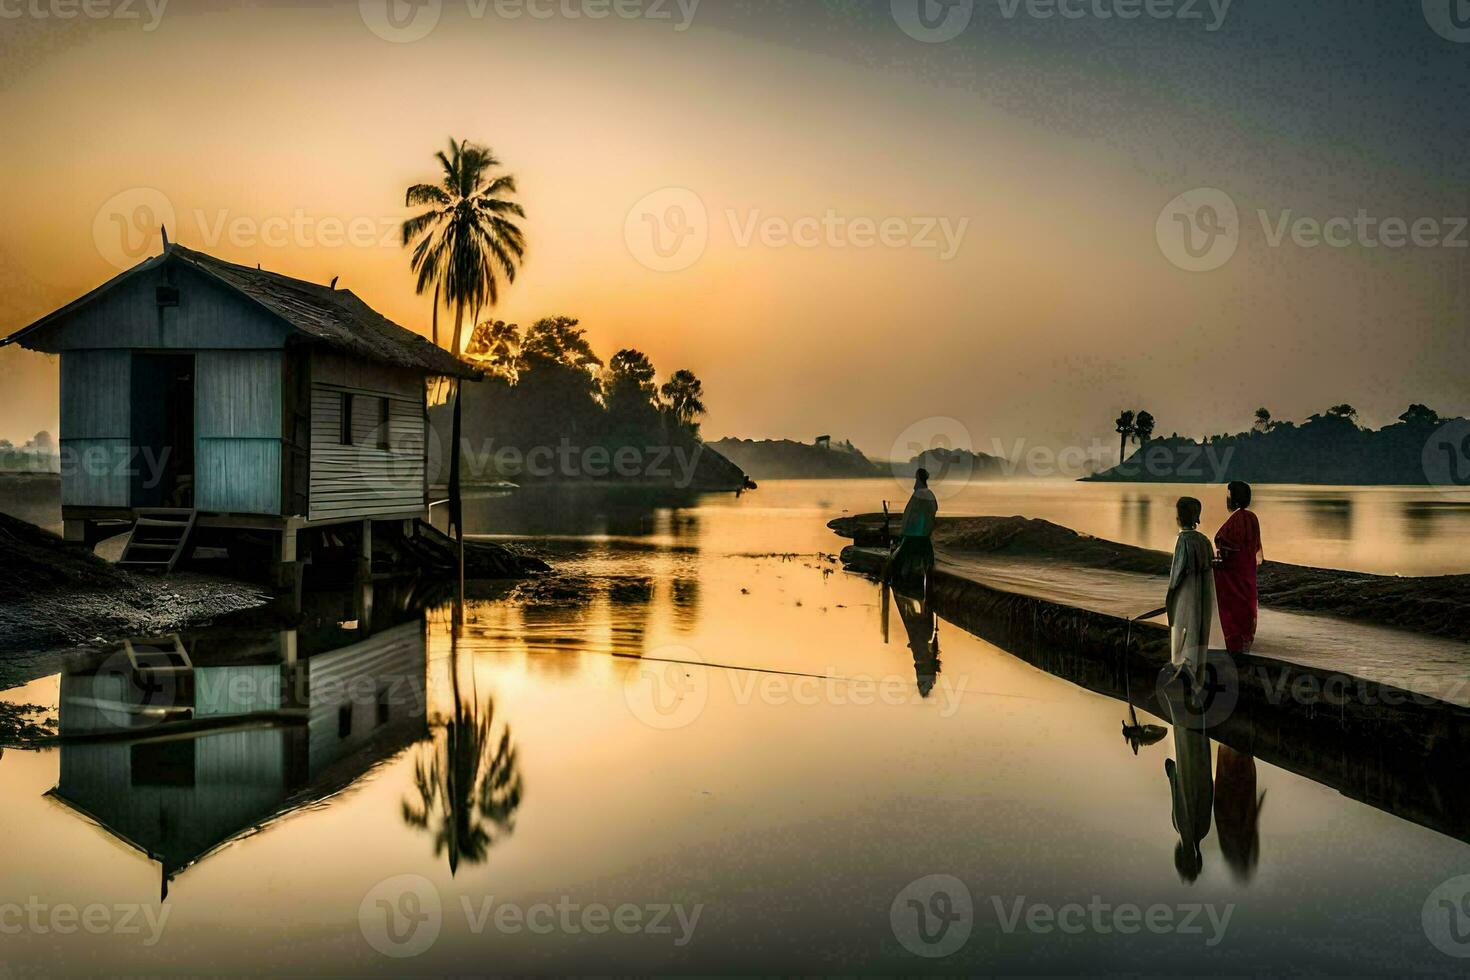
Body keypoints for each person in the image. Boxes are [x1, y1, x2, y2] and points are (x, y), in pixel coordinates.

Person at [1166, 496, 1215, 675]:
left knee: (1181, 636)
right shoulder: (1204, 541)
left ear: (1179, 518)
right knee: (1198, 634)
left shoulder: (1182, 541)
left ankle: (1181, 674)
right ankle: (1196, 678)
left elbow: (1176, 575)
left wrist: (1169, 597)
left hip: (1184, 597)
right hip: (1202, 597)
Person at [1214, 481, 1263, 654]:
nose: (1227, 498)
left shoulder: (1238, 519)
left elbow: (1228, 546)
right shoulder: (1252, 517)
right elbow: (1256, 547)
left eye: (1229, 494)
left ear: (1234, 497)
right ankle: (1244, 642)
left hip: (1234, 573)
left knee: (1232, 606)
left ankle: (1232, 644)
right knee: (1246, 605)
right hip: (1247, 571)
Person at [883, 468, 938, 587]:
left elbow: (909, 516)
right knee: (928, 562)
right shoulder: (929, 494)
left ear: (918, 479)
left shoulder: (919, 495)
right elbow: (933, 511)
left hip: (913, 535)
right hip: (924, 535)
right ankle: (927, 586)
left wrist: (904, 532)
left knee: (897, 561)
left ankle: (892, 582)